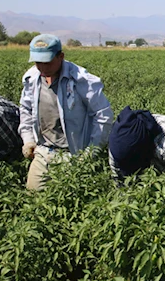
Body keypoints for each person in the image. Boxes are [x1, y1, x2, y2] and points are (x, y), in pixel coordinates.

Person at [19, 34, 114, 190]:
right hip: (43, 151)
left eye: (47, 63)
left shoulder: (81, 80)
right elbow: (26, 109)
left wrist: (91, 151)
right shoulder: (32, 78)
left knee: (71, 198)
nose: (42, 68)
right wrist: (28, 140)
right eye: (38, 63)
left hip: (73, 154)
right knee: (34, 197)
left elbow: (103, 115)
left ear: (61, 57)